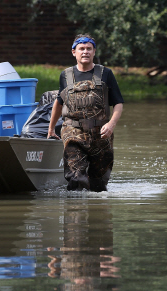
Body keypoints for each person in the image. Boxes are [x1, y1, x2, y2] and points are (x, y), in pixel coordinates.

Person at [47, 34, 124, 192]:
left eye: (89, 49)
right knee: (76, 178)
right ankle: (75, 212)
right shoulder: (66, 76)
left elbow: (118, 103)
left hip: (101, 135)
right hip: (73, 132)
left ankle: (96, 212)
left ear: (94, 52)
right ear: (74, 52)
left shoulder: (105, 74)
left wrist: (111, 125)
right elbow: (58, 102)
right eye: (81, 49)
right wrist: (51, 128)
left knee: (99, 186)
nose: (85, 52)